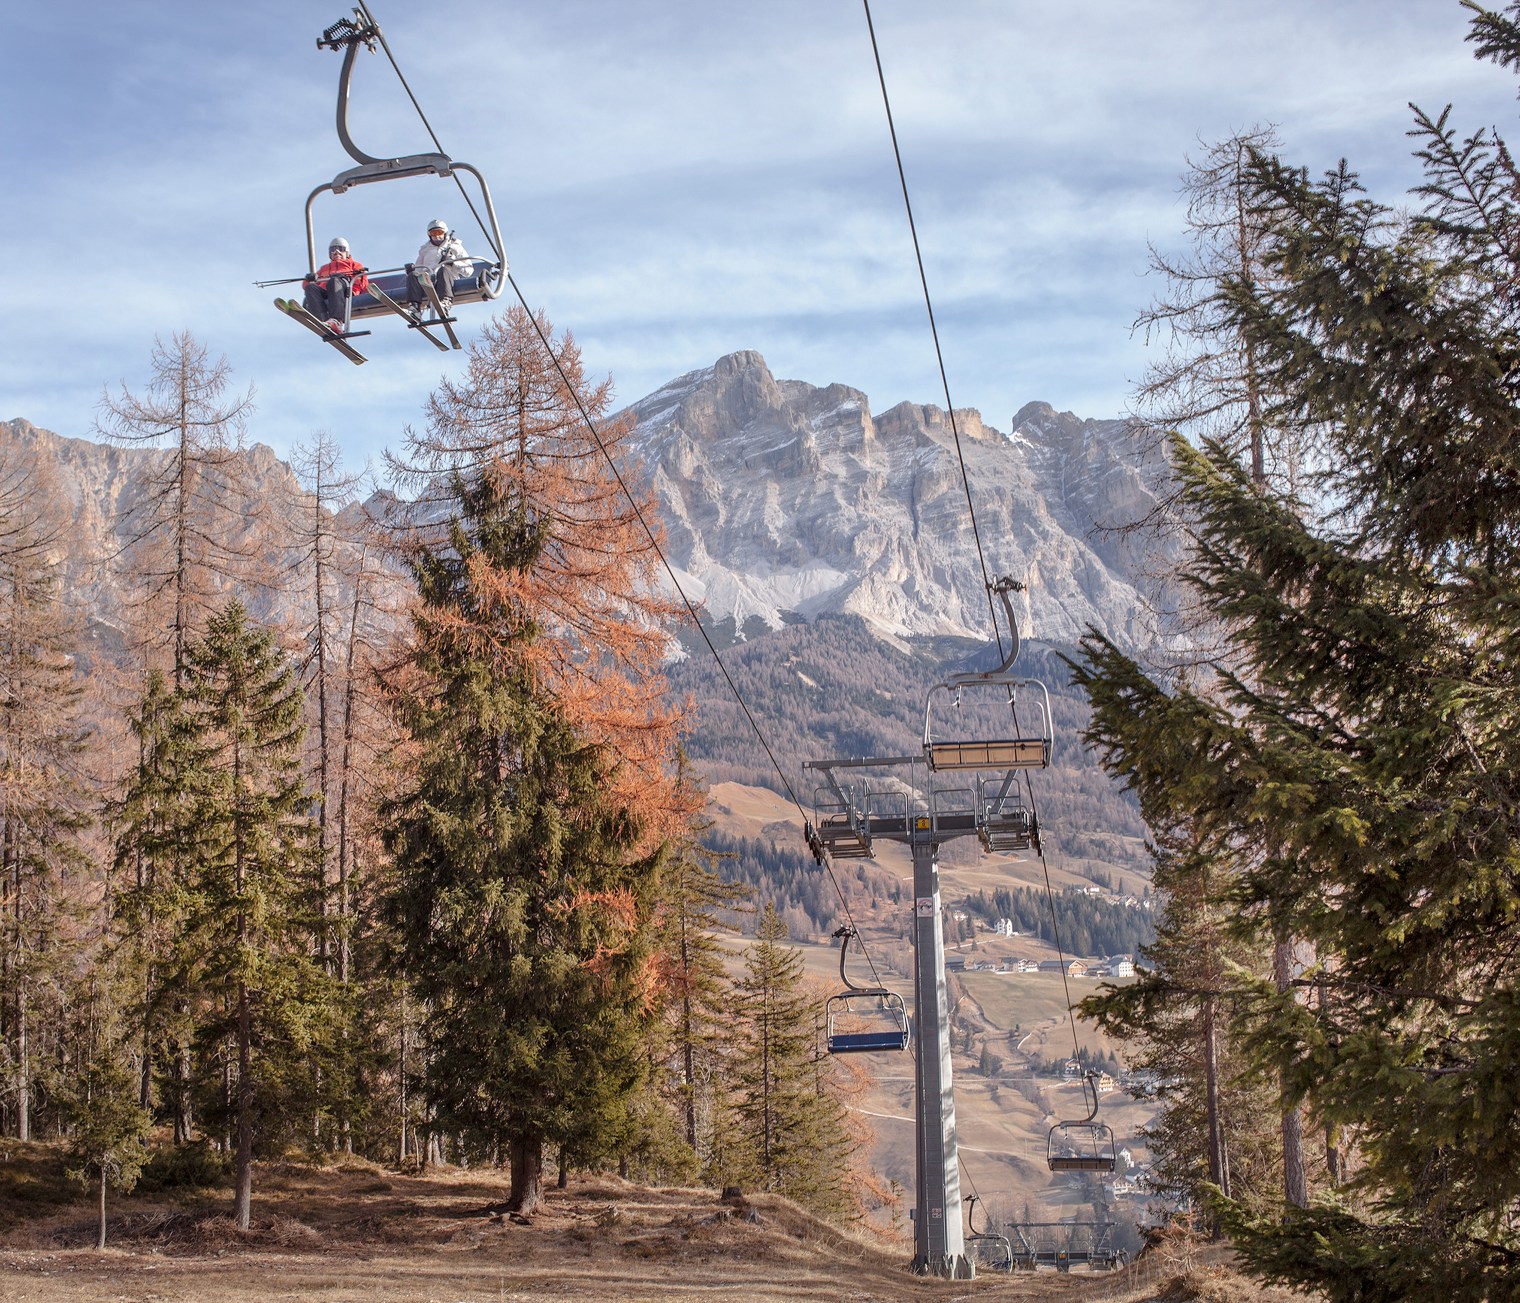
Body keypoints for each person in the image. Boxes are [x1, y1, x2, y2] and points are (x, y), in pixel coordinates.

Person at [303, 237, 369, 335]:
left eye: (341, 249)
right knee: (310, 288)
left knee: (334, 281)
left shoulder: (354, 265)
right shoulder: (324, 268)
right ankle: (323, 320)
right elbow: (305, 285)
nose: (337, 252)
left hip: (345, 291)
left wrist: (346, 278)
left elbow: (362, 281)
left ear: (346, 252)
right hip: (327, 291)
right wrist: (309, 279)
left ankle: (337, 321)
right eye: (333, 250)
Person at [407, 218, 470, 318]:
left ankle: (445, 302)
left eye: (439, 232)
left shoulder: (455, 247)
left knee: (443, 269)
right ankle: (415, 307)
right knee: (412, 275)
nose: (437, 236)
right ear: (429, 235)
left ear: (445, 233)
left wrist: (453, 262)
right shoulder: (425, 250)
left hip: (447, 279)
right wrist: (411, 271)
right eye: (433, 233)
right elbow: (418, 270)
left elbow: (469, 270)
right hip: (428, 280)